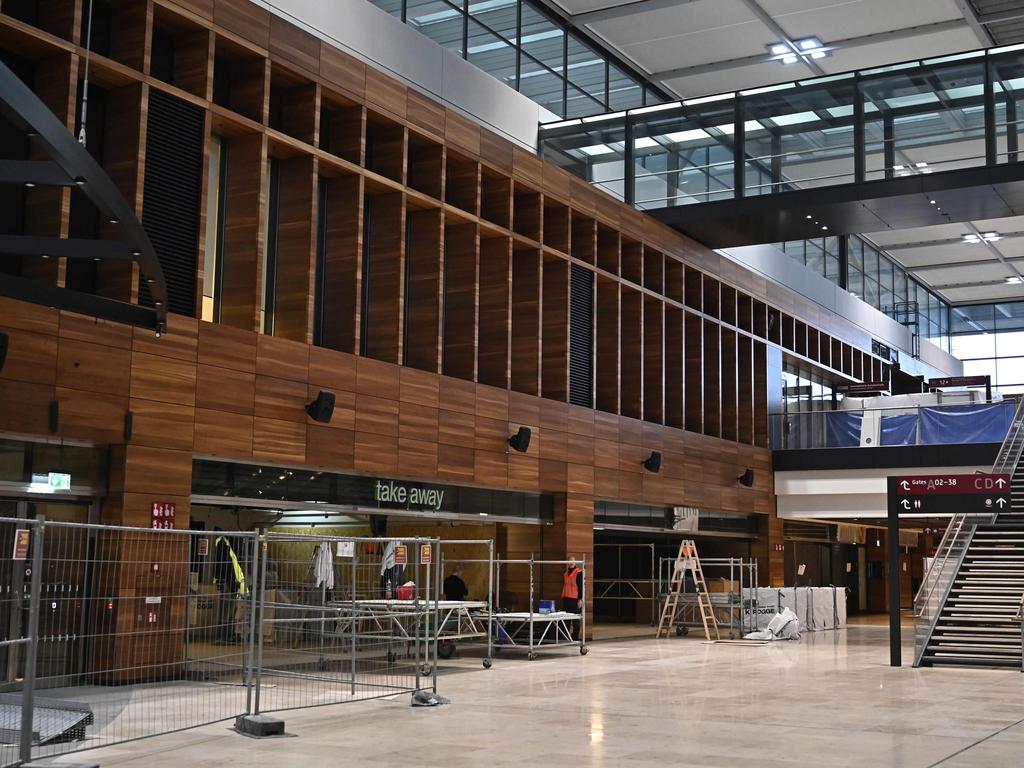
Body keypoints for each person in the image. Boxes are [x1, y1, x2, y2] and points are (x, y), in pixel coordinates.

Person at [561, 557, 584, 641]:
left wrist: (580, 599)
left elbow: (581, 587)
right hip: (566, 598)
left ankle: (575, 637)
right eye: (569, 562)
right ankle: (566, 636)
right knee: (566, 619)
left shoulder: (578, 572)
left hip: (575, 600)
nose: (570, 563)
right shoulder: (566, 573)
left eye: (572, 561)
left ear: (575, 562)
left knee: (576, 620)